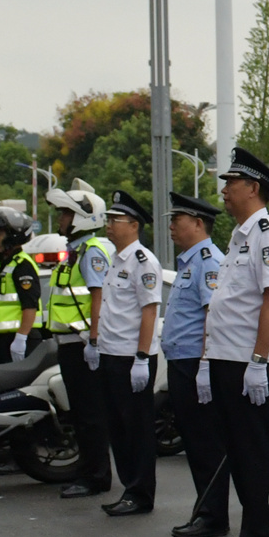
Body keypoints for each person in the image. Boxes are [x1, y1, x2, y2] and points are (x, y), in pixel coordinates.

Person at [202, 148, 269, 537]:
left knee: (257, 458)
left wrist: (259, 361)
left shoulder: (268, 235)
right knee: (237, 456)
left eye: (230, 183)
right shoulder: (239, 236)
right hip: (227, 359)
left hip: (250, 362)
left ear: (252, 188)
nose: (223, 191)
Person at [163, 192, 231, 537]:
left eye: (178, 220)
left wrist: (205, 364)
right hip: (181, 361)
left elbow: (211, 316)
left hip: (194, 363)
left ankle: (212, 514)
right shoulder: (189, 262)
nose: (172, 226)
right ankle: (205, 509)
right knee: (193, 439)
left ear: (199, 223)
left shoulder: (208, 261)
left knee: (205, 441)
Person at [94, 193, 166, 515]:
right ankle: (128, 488)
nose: (109, 225)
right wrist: (95, 343)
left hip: (131, 357)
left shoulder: (143, 262)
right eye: (108, 220)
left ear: (134, 225)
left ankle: (140, 493)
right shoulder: (114, 258)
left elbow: (149, 310)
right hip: (112, 352)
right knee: (118, 427)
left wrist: (141, 358)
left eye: (115, 220)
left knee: (136, 428)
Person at [40, 187, 114, 501]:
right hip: (71, 342)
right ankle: (86, 470)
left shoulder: (92, 251)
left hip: (83, 343)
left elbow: (99, 297)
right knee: (80, 414)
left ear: (83, 218)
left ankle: (96, 476)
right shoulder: (75, 250)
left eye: (66, 214)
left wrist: (94, 340)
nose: (61, 219)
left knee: (91, 415)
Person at [0, 210, 41, 362]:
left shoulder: (22, 266)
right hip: (6, 337)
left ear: (13, 236)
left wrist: (21, 338)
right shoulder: (7, 264)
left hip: (22, 338)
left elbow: (30, 305)